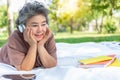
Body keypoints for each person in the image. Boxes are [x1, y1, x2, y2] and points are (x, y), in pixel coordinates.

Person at [0, 1, 57, 71]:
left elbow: (52, 65)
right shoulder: (15, 38)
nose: (40, 30)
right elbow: (24, 69)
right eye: (34, 25)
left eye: (43, 24)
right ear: (22, 28)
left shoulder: (47, 36)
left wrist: (40, 45)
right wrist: (33, 45)